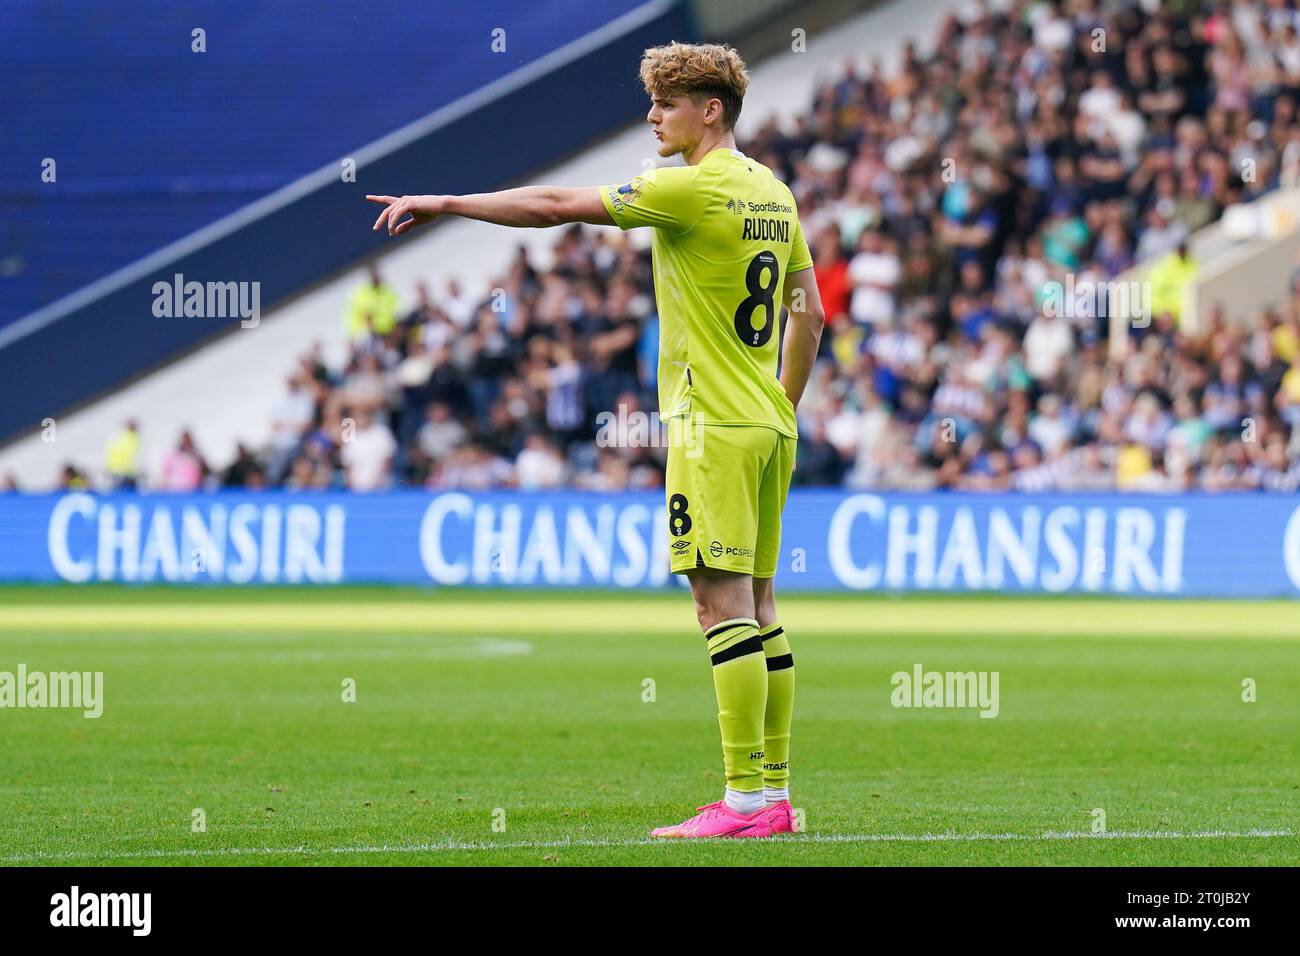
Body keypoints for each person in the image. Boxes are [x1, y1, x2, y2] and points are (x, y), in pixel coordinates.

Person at [367, 41, 825, 839]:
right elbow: (809, 315)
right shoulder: (775, 195)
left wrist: (446, 201)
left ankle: (745, 801)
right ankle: (775, 794)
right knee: (760, 604)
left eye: (668, 102)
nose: (652, 115)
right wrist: (780, 406)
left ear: (710, 109)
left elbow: (552, 207)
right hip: (766, 425)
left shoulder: (687, 188)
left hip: (712, 426)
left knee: (718, 606)